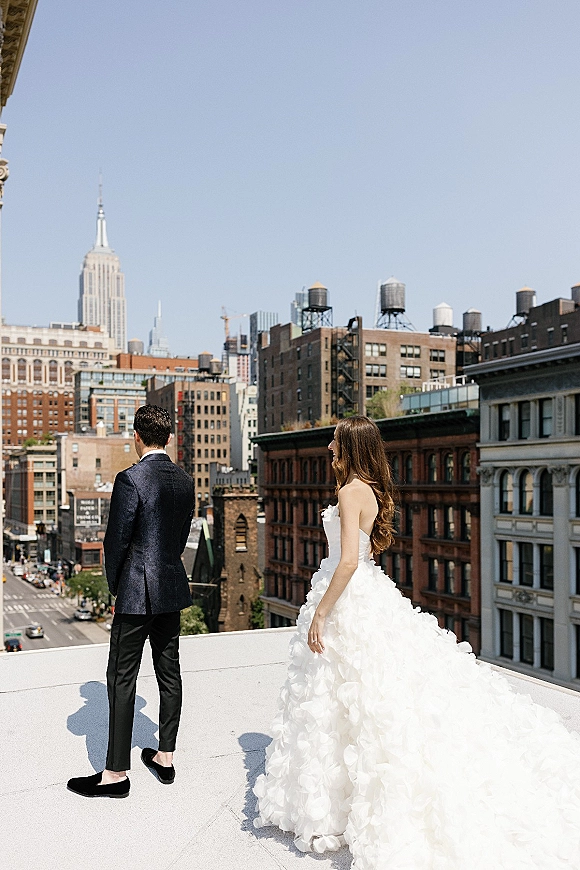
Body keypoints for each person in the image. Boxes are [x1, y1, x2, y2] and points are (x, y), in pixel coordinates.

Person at [254, 415, 580, 868]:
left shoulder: (350, 492)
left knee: (343, 695)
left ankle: (337, 797)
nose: (328, 449)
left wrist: (323, 612)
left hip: (348, 597)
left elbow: (348, 560)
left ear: (350, 447)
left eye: (334, 443)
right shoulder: (367, 488)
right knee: (355, 694)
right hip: (367, 594)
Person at [67, 405, 194, 798]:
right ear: (168, 439)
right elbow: (180, 536)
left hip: (137, 593)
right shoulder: (185, 480)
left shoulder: (130, 478)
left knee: (121, 677)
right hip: (171, 588)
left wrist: (115, 587)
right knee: (169, 673)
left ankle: (115, 775)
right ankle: (165, 758)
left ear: (136, 436)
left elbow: (116, 540)